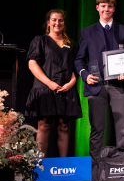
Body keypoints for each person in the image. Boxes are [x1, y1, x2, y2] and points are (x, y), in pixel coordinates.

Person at [74, 0, 124, 164]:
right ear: (97, 8)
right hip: (96, 85)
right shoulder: (87, 32)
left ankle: (123, 164)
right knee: (97, 129)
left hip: (119, 86)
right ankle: (96, 166)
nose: (106, 9)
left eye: (109, 6)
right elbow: (79, 59)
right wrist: (85, 76)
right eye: (103, 6)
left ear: (113, 9)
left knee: (123, 128)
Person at [25, 9, 82, 157]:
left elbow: (78, 68)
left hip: (66, 90)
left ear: (64, 23)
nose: (57, 23)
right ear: (48, 22)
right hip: (45, 89)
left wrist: (70, 84)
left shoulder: (72, 45)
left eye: (61, 20)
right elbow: (32, 64)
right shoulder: (40, 41)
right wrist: (49, 83)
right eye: (54, 20)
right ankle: (39, 166)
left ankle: (63, 167)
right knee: (44, 126)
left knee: (63, 127)